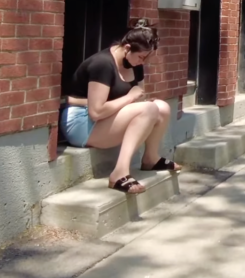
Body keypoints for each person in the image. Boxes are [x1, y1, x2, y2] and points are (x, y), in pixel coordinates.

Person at [59, 19, 179, 194]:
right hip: (81, 124)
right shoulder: (102, 64)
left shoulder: (133, 63)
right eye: (141, 57)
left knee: (161, 107)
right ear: (127, 48)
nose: (142, 62)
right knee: (149, 109)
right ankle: (119, 173)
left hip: (106, 117)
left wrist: (137, 101)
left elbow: (136, 99)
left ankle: (151, 158)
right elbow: (96, 111)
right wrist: (131, 97)